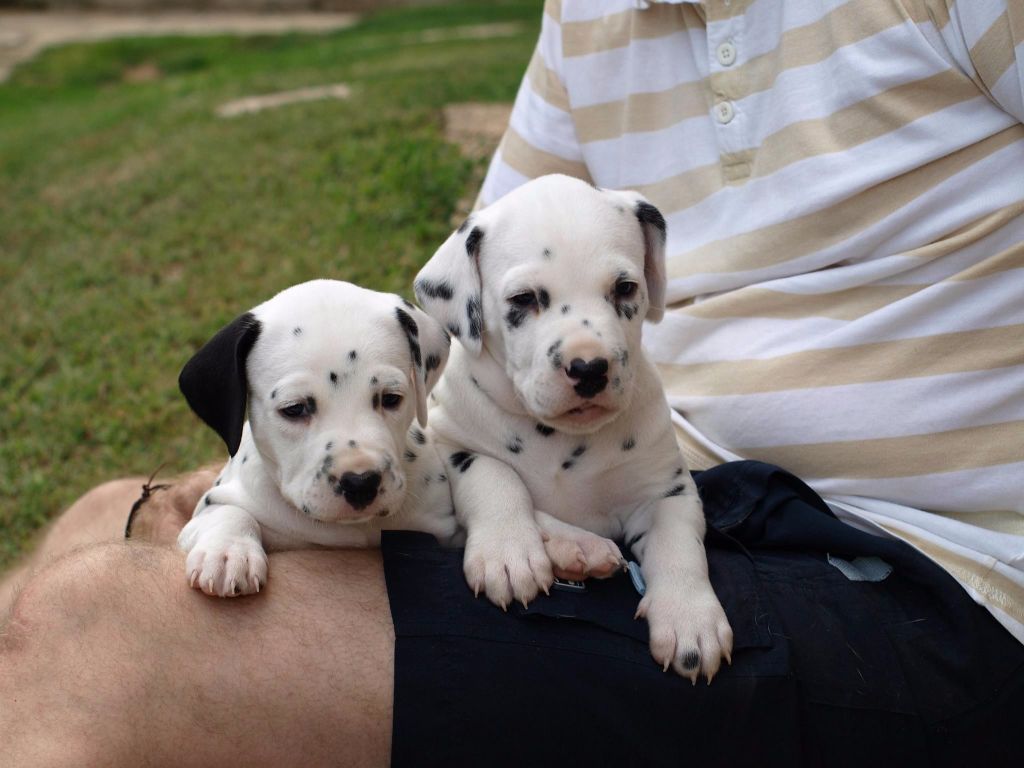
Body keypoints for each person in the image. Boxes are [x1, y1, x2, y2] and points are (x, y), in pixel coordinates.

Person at [2, 1, 1022, 765]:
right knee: (115, 517)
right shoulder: (590, 13)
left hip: (917, 583)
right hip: (617, 481)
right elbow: (471, 285)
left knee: (91, 635)